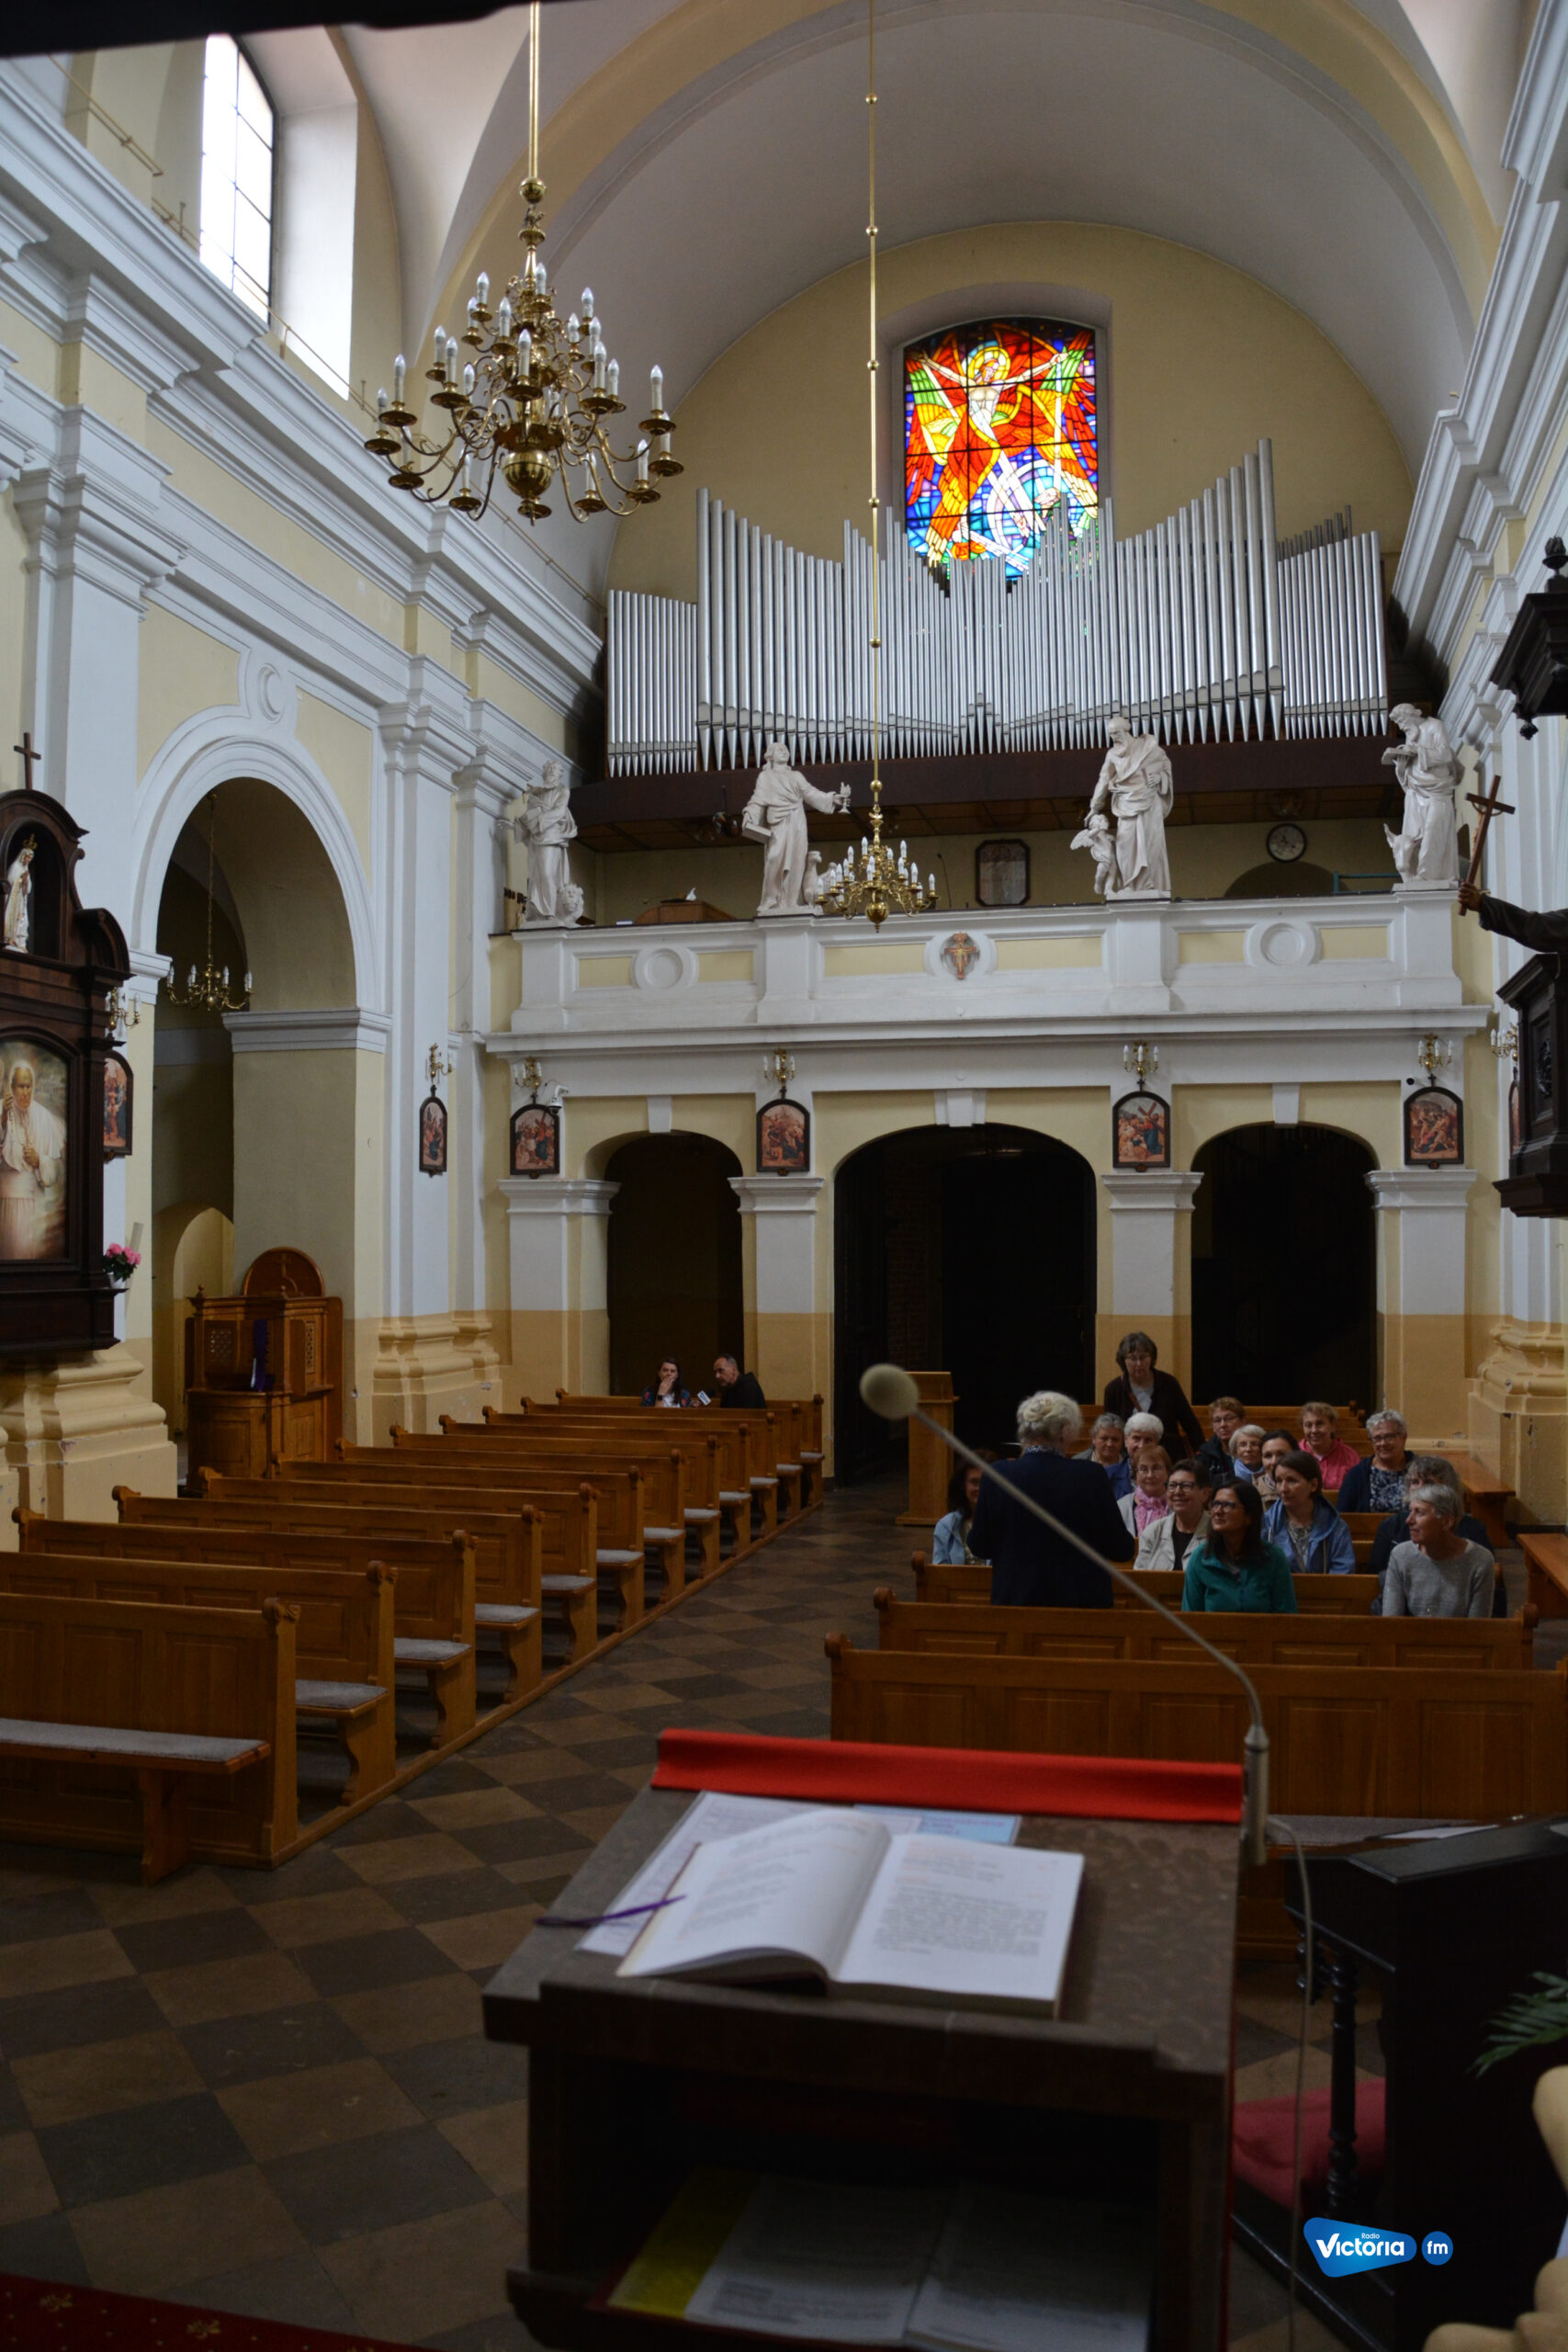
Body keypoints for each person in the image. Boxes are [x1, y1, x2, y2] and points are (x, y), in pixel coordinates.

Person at [968, 1389, 1134, 1608]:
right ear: (1065, 1432)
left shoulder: (997, 1475)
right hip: (1080, 1608)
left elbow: (979, 1546)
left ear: (1024, 1430)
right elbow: (1121, 1549)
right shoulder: (1090, 1476)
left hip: (1016, 1605)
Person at [739, 740, 852, 915]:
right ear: (771, 756)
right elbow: (758, 800)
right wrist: (749, 815)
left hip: (797, 820)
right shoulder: (765, 777)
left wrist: (832, 798)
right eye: (779, 750)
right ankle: (771, 900)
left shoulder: (796, 776)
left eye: (786, 749)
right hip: (778, 822)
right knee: (774, 857)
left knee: (797, 859)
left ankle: (792, 901)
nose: (784, 751)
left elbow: (810, 793)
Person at [1368, 1456, 1493, 1597]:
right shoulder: (1391, 1526)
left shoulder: (1473, 1529)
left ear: (1448, 1488)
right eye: (1415, 1482)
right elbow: (1375, 1576)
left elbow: (1487, 1581)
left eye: (1429, 1483)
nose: (1420, 1488)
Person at [1181, 1480, 1297, 1613]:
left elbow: (1287, 1615)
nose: (1218, 1511)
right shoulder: (1201, 1558)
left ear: (1249, 1516)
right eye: (1215, 1504)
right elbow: (1190, 1617)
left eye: (1227, 1505)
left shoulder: (1273, 1557)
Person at [1382, 1484, 1495, 1618]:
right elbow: (1391, 1620)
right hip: (1410, 1632)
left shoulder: (1479, 1560)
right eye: (1410, 1511)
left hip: (1462, 1632)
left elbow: (1478, 1625)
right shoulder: (1401, 1555)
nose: (1409, 1520)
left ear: (1446, 1521)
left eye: (1419, 1513)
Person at [0, 1058, 65, 1261]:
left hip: (37, 1204)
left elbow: (54, 1169)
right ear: (12, 1087)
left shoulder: (44, 1117)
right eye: (21, 1086)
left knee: (35, 1254)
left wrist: (40, 1161)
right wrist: (3, 1119)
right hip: (8, 1202)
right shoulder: (2, 1110)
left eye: (29, 1086)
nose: (25, 1092)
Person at [1101, 1331, 1203, 1454]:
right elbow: (1110, 1429)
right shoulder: (1114, 1389)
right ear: (1123, 1360)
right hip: (1131, 1456)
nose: (1139, 1364)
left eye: (1143, 1357)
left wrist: (1202, 1454)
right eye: (1133, 1358)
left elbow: (1190, 1423)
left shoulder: (1168, 1383)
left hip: (1168, 1454)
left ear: (1152, 1358)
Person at [1263, 1449, 1357, 1574]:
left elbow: (1342, 1573)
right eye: (1279, 1481)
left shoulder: (1335, 1526)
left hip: (1324, 1587)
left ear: (1313, 1485)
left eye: (1291, 1480)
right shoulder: (1266, 1524)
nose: (1283, 1489)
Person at [1135, 1459, 1211, 1574]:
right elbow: (1140, 1579)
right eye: (1172, 1486)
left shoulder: (1218, 1534)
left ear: (1205, 1494)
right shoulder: (1153, 1532)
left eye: (1186, 1486)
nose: (1177, 1492)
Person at [1337, 1410, 1412, 1513]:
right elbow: (1343, 1515)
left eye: (1389, 1437)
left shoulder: (1422, 1471)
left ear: (1404, 1437)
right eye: (1377, 1438)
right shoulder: (1357, 1475)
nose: (1383, 1443)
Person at [933, 1461, 990, 1566]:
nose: (980, 1488)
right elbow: (939, 1571)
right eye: (974, 1482)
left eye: (985, 1482)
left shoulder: (1005, 1522)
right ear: (963, 1485)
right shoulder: (946, 1525)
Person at [1300, 1401, 1361, 1497]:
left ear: (1332, 1426)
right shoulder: (1295, 1453)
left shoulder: (1349, 1456)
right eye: (1308, 1425)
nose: (1314, 1430)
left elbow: (1359, 1490)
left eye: (1320, 1424)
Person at [1119, 1445, 1171, 1539]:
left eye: (1156, 1468)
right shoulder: (1121, 1506)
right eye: (1143, 1469)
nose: (1150, 1475)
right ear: (1136, 1474)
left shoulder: (1178, 1504)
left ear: (1167, 1472)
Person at [1079, 1413, 1133, 1501]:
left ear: (1123, 1440)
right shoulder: (1079, 1463)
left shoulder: (1130, 1464)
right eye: (1104, 1438)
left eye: (1115, 1439)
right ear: (1093, 1438)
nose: (1109, 1444)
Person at [1198, 1397, 1245, 1487]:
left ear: (1242, 1422)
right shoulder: (1205, 1453)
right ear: (1213, 1427)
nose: (1223, 1425)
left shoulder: (1254, 1449)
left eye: (1229, 1419)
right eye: (1217, 1420)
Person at [1256, 1430, 1296, 1508]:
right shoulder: (1252, 1494)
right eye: (1268, 1456)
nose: (1274, 1462)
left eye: (1281, 1454)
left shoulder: (1307, 1489)